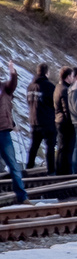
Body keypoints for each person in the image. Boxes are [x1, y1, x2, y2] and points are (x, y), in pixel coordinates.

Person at [0, 64, 27, 204]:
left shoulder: (4, 88)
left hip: (3, 132)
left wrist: (13, 73)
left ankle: (23, 197)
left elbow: (12, 84)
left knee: (13, 165)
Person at [25, 63, 54, 171]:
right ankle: (51, 171)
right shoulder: (49, 86)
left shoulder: (30, 86)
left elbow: (28, 101)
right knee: (50, 146)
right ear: (47, 73)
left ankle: (29, 168)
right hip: (47, 121)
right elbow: (55, 103)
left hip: (33, 120)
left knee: (34, 146)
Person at [53, 66, 76, 177]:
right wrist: (72, 123)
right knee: (67, 148)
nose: (73, 78)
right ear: (67, 77)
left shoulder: (58, 87)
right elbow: (68, 108)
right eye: (72, 76)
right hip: (66, 123)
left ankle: (60, 170)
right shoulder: (65, 90)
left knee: (62, 148)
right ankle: (66, 172)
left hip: (58, 120)